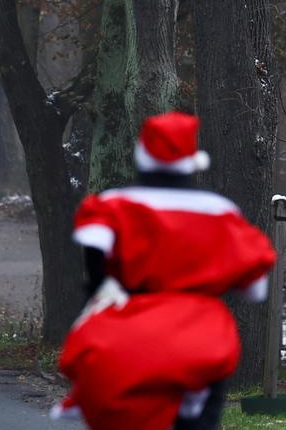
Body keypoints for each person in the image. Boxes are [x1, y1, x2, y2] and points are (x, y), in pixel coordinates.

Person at [55, 112, 275, 429]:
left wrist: (101, 287)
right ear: (192, 160)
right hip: (200, 336)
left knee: (97, 373)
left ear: (141, 155)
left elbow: (94, 248)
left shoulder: (113, 204)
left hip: (128, 329)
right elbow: (256, 288)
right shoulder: (220, 212)